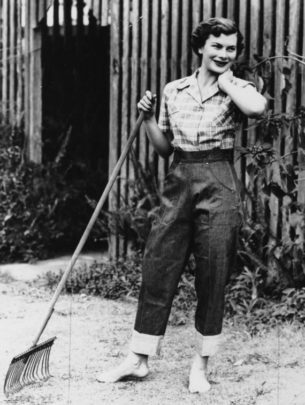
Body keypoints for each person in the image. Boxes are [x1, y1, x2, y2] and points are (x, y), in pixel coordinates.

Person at [97, 17, 266, 393]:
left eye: (231, 48)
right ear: (201, 48)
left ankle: (200, 365)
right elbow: (163, 149)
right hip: (179, 179)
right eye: (217, 46)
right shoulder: (174, 90)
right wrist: (147, 118)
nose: (224, 54)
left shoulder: (238, 87)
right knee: (158, 263)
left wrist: (226, 81)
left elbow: (256, 109)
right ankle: (138, 359)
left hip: (219, 181)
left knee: (213, 271)